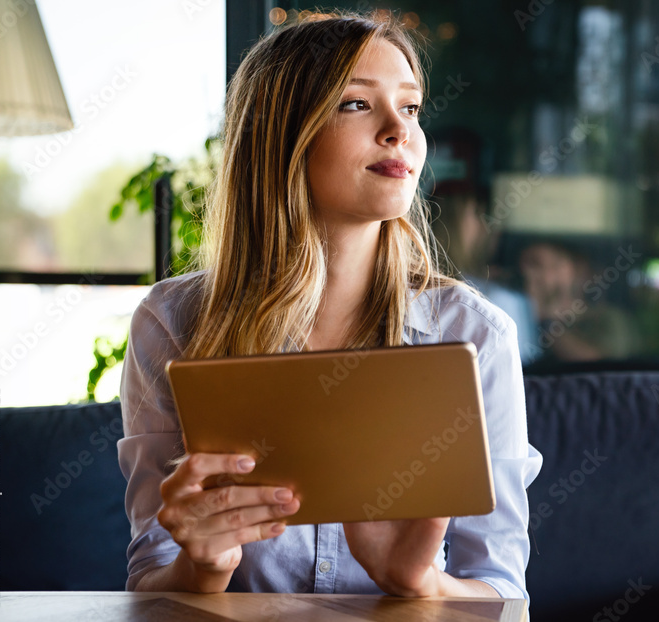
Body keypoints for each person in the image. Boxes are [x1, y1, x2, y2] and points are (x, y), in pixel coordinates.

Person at [117, 10, 542, 602]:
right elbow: (149, 582)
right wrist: (205, 566)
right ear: (281, 134)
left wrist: (419, 582)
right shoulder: (170, 323)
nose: (400, 130)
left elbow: (504, 592)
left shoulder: (476, 333)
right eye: (356, 104)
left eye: (412, 107)